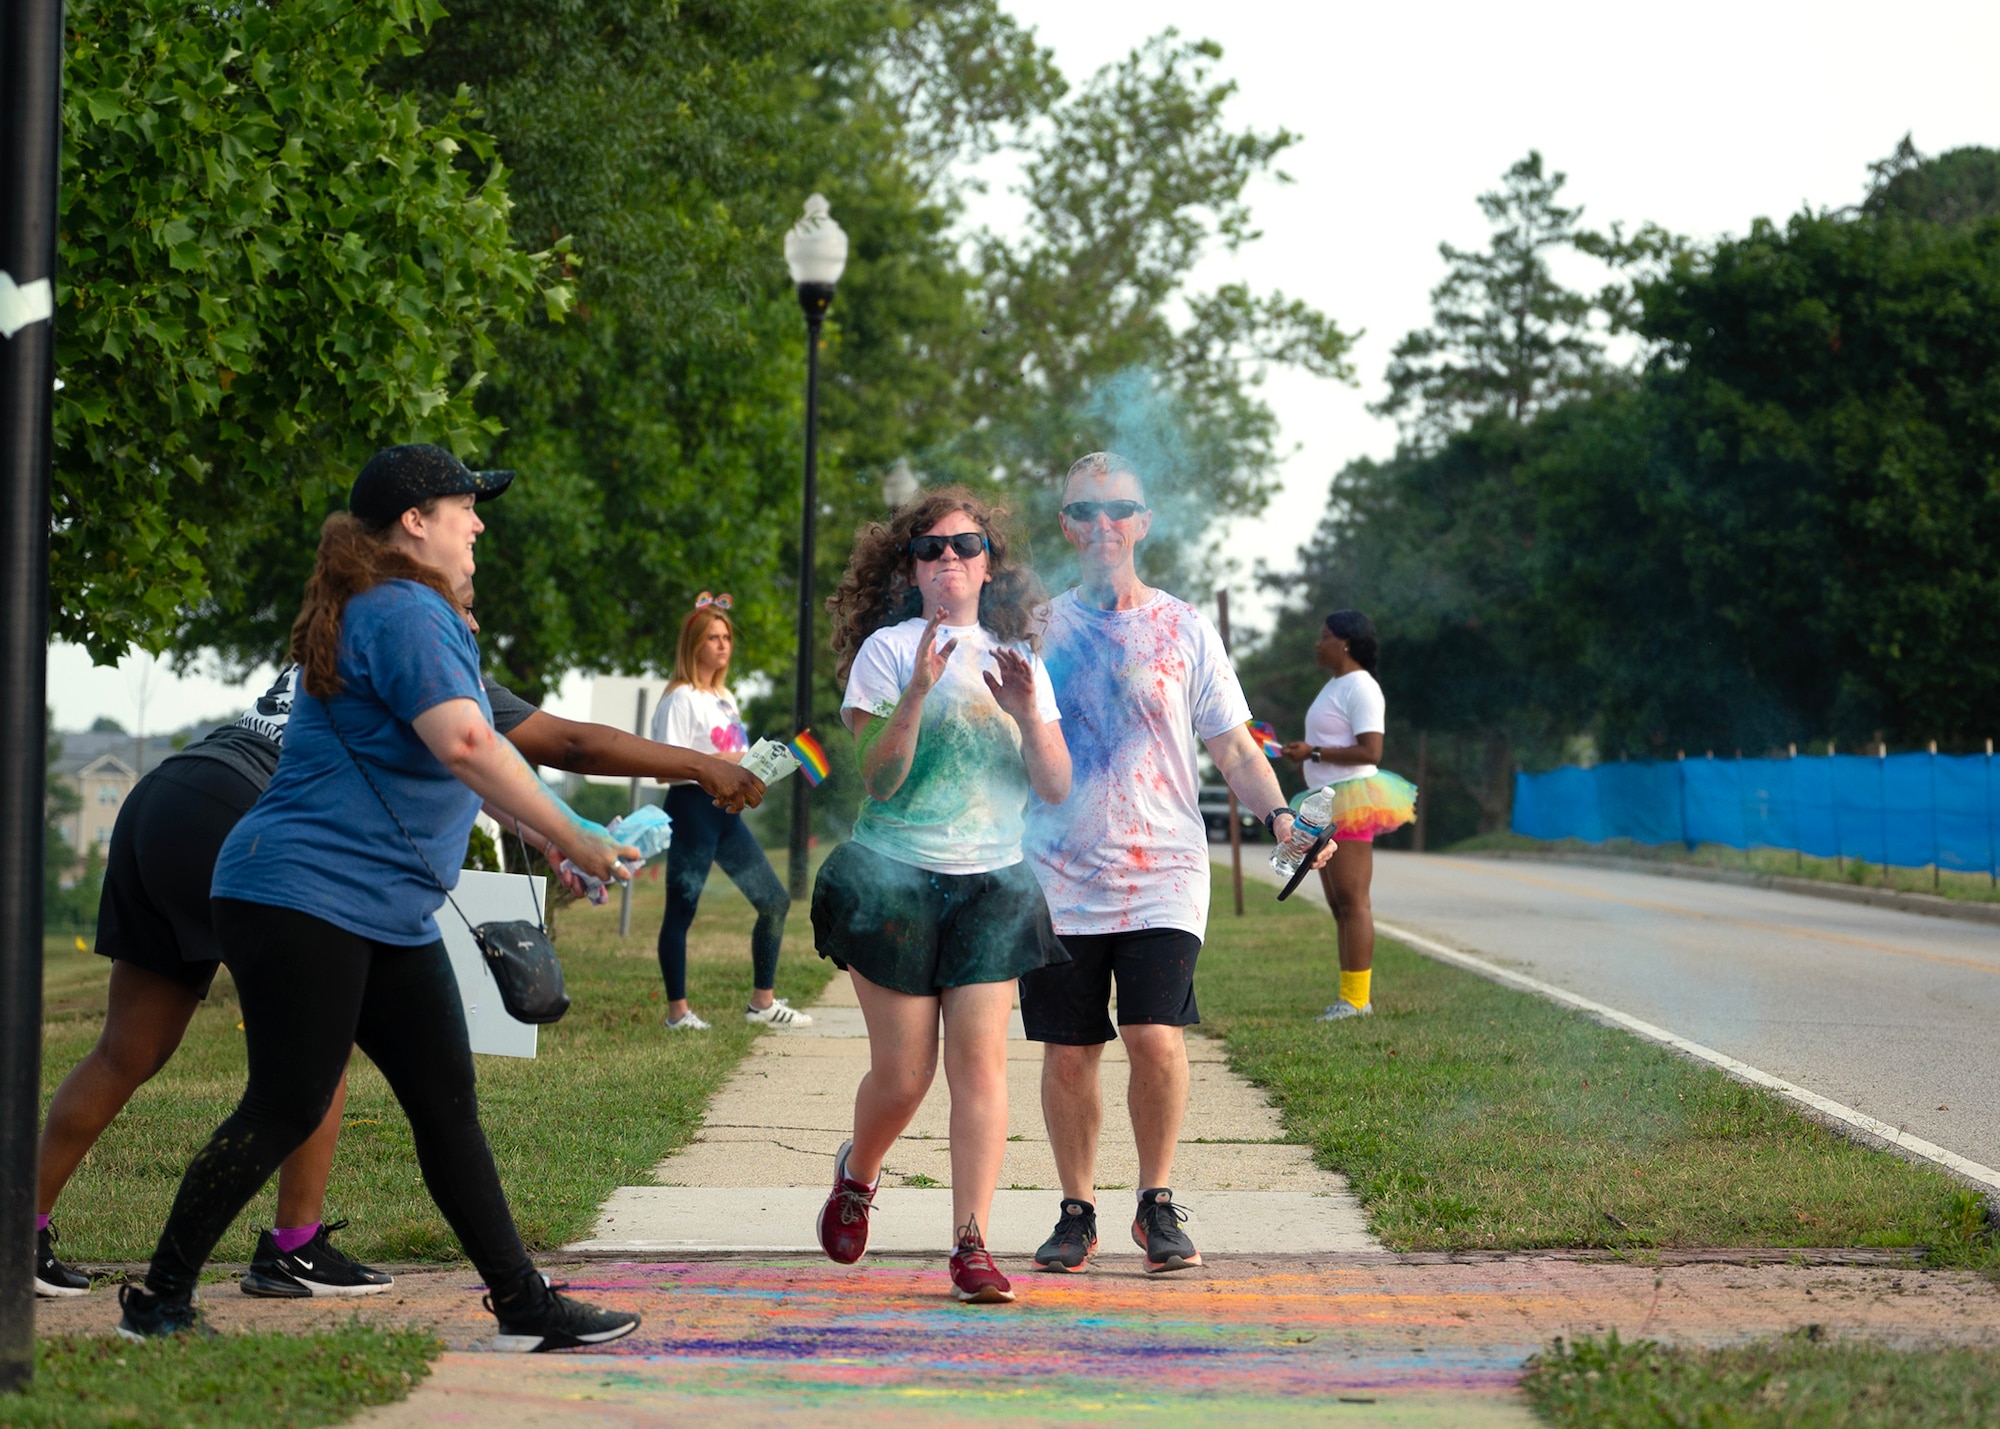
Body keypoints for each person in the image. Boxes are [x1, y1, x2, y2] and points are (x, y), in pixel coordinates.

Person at [114, 444, 643, 1350]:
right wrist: (577, 832)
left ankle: (522, 1302)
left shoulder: (405, 609)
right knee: (285, 1102)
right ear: (414, 520)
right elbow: (470, 745)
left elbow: (445, 763)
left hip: (377, 904)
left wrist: (546, 840)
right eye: (465, 506)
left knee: (446, 1103)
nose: (477, 523)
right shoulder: (403, 608)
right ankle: (159, 1301)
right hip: (301, 895)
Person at [34, 658, 763, 1301]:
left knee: (126, 1049)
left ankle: (19, 1235)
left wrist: (556, 841)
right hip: (254, 817)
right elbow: (560, 742)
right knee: (317, 1052)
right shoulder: (425, 650)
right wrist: (695, 764)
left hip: (167, 795)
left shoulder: (339, 630)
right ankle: (287, 1251)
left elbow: (470, 772)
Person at [1019, 451, 1327, 1276]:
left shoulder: (1186, 627)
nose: (1101, 524)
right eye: (1082, 511)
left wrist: (1281, 815)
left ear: (1143, 522)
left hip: (1163, 869)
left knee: (1154, 1035)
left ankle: (1156, 1201)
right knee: (1069, 1049)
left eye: (1118, 507)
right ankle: (1075, 1210)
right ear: (1065, 526)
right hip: (1057, 872)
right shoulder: (1040, 628)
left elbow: (1232, 743)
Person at [810, 488, 1071, 1304]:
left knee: (980, 1065)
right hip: (893, 880)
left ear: (990, 562)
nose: (948, 558)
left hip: (992, 883)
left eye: (965, 545)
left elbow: (1055, 787)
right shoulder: (888, 653)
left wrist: (1030, 713)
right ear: (911, 568)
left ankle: (971, 1244)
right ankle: (859, 1173)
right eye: (929, 548)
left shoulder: (1016, 658)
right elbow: (880, 780)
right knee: (904, 1073)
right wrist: (919, 692)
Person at [650, 593, 806, 1031]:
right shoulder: (680, 699)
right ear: (693, 644)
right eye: (712, 637)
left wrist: (754, 770)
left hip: (727, 812)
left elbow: (733, 754)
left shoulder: (725, 696)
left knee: (773, 900)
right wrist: (727, 762)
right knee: (681, 910)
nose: (722, 645)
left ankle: (763, 1004)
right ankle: (677, 1014)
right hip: (692, 807)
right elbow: (665, 768)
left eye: (727, 637)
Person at [1280, 610, 1417, 1021]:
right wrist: (1303, 755)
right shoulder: (1334, 686)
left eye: (1324, 637)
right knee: (1339, 904)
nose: (1317, 644)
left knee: (1354, 901)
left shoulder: (1361, 686)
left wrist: (1315, 753)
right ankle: (1348, 997)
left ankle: (1358, 1000)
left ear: (1345, 643)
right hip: (1325, 800)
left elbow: (1371, 752)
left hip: (1352, 803)